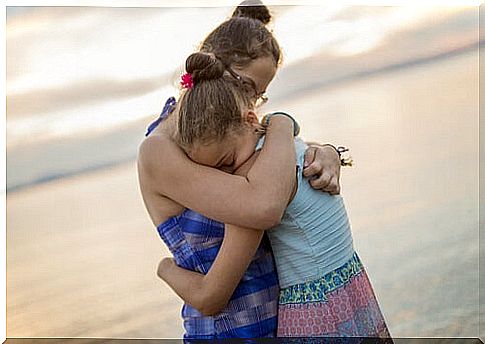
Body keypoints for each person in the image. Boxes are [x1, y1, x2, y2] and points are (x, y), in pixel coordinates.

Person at [138, 2, 343, 339]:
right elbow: (262, 204)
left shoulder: (229, 138)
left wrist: (327, 151)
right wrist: (282, 122)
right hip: (228, 333)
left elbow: (277, 161)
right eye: (249, 88)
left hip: (281, 322)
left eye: (260, 96)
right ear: (213, 64)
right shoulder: (159, 151)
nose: (254, 104)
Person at [156, 52, 392, 339]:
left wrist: (165, 268)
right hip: (349, 287)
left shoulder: (260, 181)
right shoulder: (287, 146)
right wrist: (287, 123)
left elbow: (211, 297)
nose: (228, 175)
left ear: (250, 119)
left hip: (314, 306)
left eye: (228, 161)